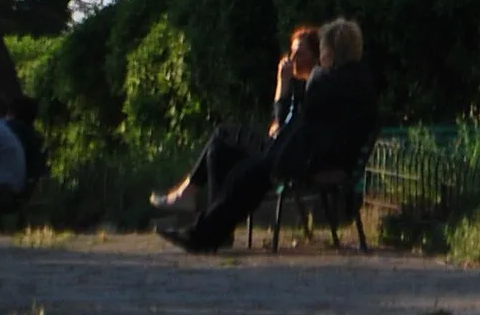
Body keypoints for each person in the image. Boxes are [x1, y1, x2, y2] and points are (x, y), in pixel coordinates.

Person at [163, 16, 379, 254]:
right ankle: (210, 232)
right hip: (315, 154)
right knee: (225, 153)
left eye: (324, 49)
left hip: (310, 160)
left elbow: (297, 123)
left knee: (245, 174)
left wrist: (287, 88)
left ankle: (203, 235)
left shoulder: (325, 80)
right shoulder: (357, 81)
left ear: (330, 52)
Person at [151, 25, 321, 217]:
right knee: (217, 151)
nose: (293, 59)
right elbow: (279, 121)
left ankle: (187, 195)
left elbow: (283, 122)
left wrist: (282, 83)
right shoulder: (300, 86)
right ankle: (213, 222)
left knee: (223, 133)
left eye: (300, 54)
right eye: (292, 53)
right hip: (278, 149)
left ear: (314, 57)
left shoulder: (312, 87)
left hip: (279, 156)